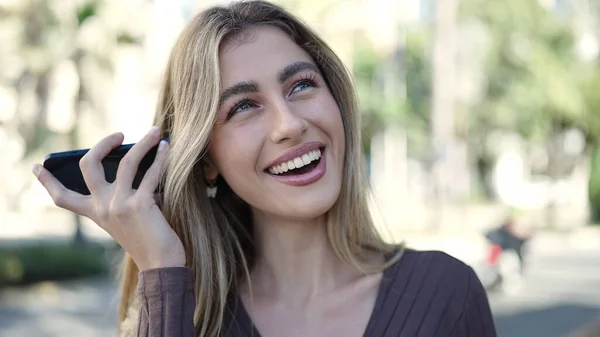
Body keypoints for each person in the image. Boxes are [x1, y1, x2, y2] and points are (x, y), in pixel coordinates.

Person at [31, 1, 497, 336]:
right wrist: (161, 271)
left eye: (300, 86)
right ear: (205, 161)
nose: (290, 125)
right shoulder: (186, 316)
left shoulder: (445, 294)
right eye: (243, 107)